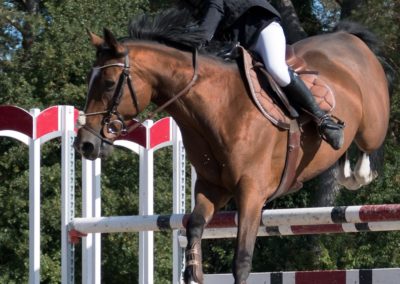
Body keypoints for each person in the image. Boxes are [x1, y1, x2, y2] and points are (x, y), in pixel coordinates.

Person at [181, 0, 344, 150]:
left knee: (276, 69)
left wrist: (196, 41)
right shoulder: (190, 5)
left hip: (262, 29)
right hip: (238, 46)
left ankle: (323, 120)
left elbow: (210, 20)